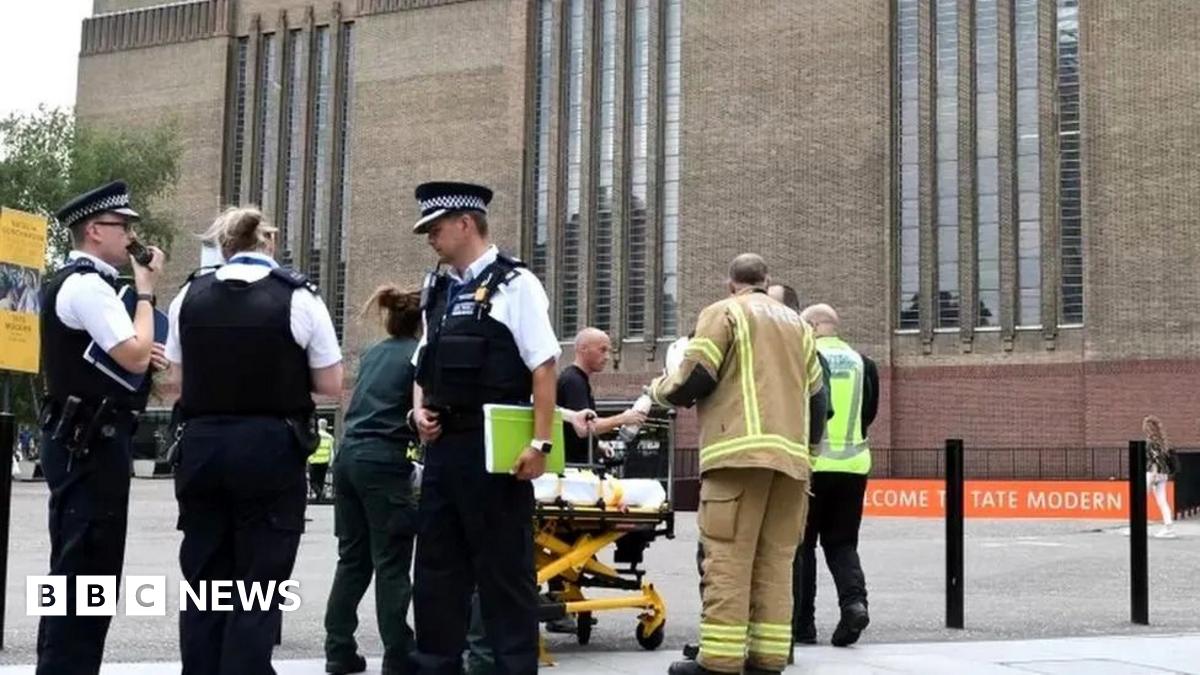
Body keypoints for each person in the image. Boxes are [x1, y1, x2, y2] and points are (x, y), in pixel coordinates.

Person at [165, 206, 343, 674]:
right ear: (268, 243)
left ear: (224, 246)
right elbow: (331, 384)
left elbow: (173, 386)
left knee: (203, 580)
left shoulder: (189, 295)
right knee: (258, 583)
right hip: (268, 448)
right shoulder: (298, 298)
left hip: (201, 449)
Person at [408, 181, 559, 675]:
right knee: (434, 572)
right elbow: (421, 365)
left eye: (435, 227)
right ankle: (435, 665)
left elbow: (543, 366)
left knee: (504, 575)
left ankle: (515, 667)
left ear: (465, 224)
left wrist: (540, 443)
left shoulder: (516, 285)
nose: (430, 237)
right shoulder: (439, 290)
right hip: (444, 451)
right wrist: (418, 412)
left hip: (495, 454)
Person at [652, 254, 826, 675]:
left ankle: (720, 662)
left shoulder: (723, 312)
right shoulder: (798, 326)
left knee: (728, 559)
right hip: (791, 464)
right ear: (767, 281)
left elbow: (696, 377)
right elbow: (819, 400)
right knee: (776, 562)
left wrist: (659, 392)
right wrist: (809, 453)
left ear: (731, 283)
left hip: (737, 456)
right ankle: (767, 659)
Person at [36, 180, 168, 675]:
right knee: (87, 570)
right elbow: (134, 355)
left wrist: (139, 340)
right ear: (95, 230)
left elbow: (128, 355)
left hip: (83, 440)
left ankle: (60, 664)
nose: (131, 236)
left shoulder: (79, 282)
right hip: (89, 442)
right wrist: (147, 290)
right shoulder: (88, 285)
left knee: (76, 566)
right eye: (123, 226)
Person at [323, 285, 424, 675]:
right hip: (384, 462)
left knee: (352, 559)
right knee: (392, 562)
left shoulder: (374, 354)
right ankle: (399, 653)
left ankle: (339, 649)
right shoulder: (418, 356)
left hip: (348, 457)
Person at [792, 303, 879, 648]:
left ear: (812, 326)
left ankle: (803, 625)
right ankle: (854, 604)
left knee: (803, 546)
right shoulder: (863, 362)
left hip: (812, 465)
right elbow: (868, 413)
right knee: (843, 543)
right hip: (854, 466)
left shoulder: (807, 359)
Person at [1143, 415, 1178, 539]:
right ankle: (1169, 528)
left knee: (1139, 500)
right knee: (1162, 501)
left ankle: (1137, 527)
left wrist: (1153, 474)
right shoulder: (1163, 441)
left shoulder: (1151, 442)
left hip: (1153, 473)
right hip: (1163, 474)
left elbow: (1154, 459)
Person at [310, 418, 334, 501]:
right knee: (321, 481)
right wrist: (331, 462)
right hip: (324, 462)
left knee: (312, 482)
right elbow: (331, 451)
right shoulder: (330, 437)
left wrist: (308, 458)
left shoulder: (315, 435)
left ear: (319, 425)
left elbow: (311, 448)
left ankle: (320, 494)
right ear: (326, 426)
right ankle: (319, 498)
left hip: (314, 461)